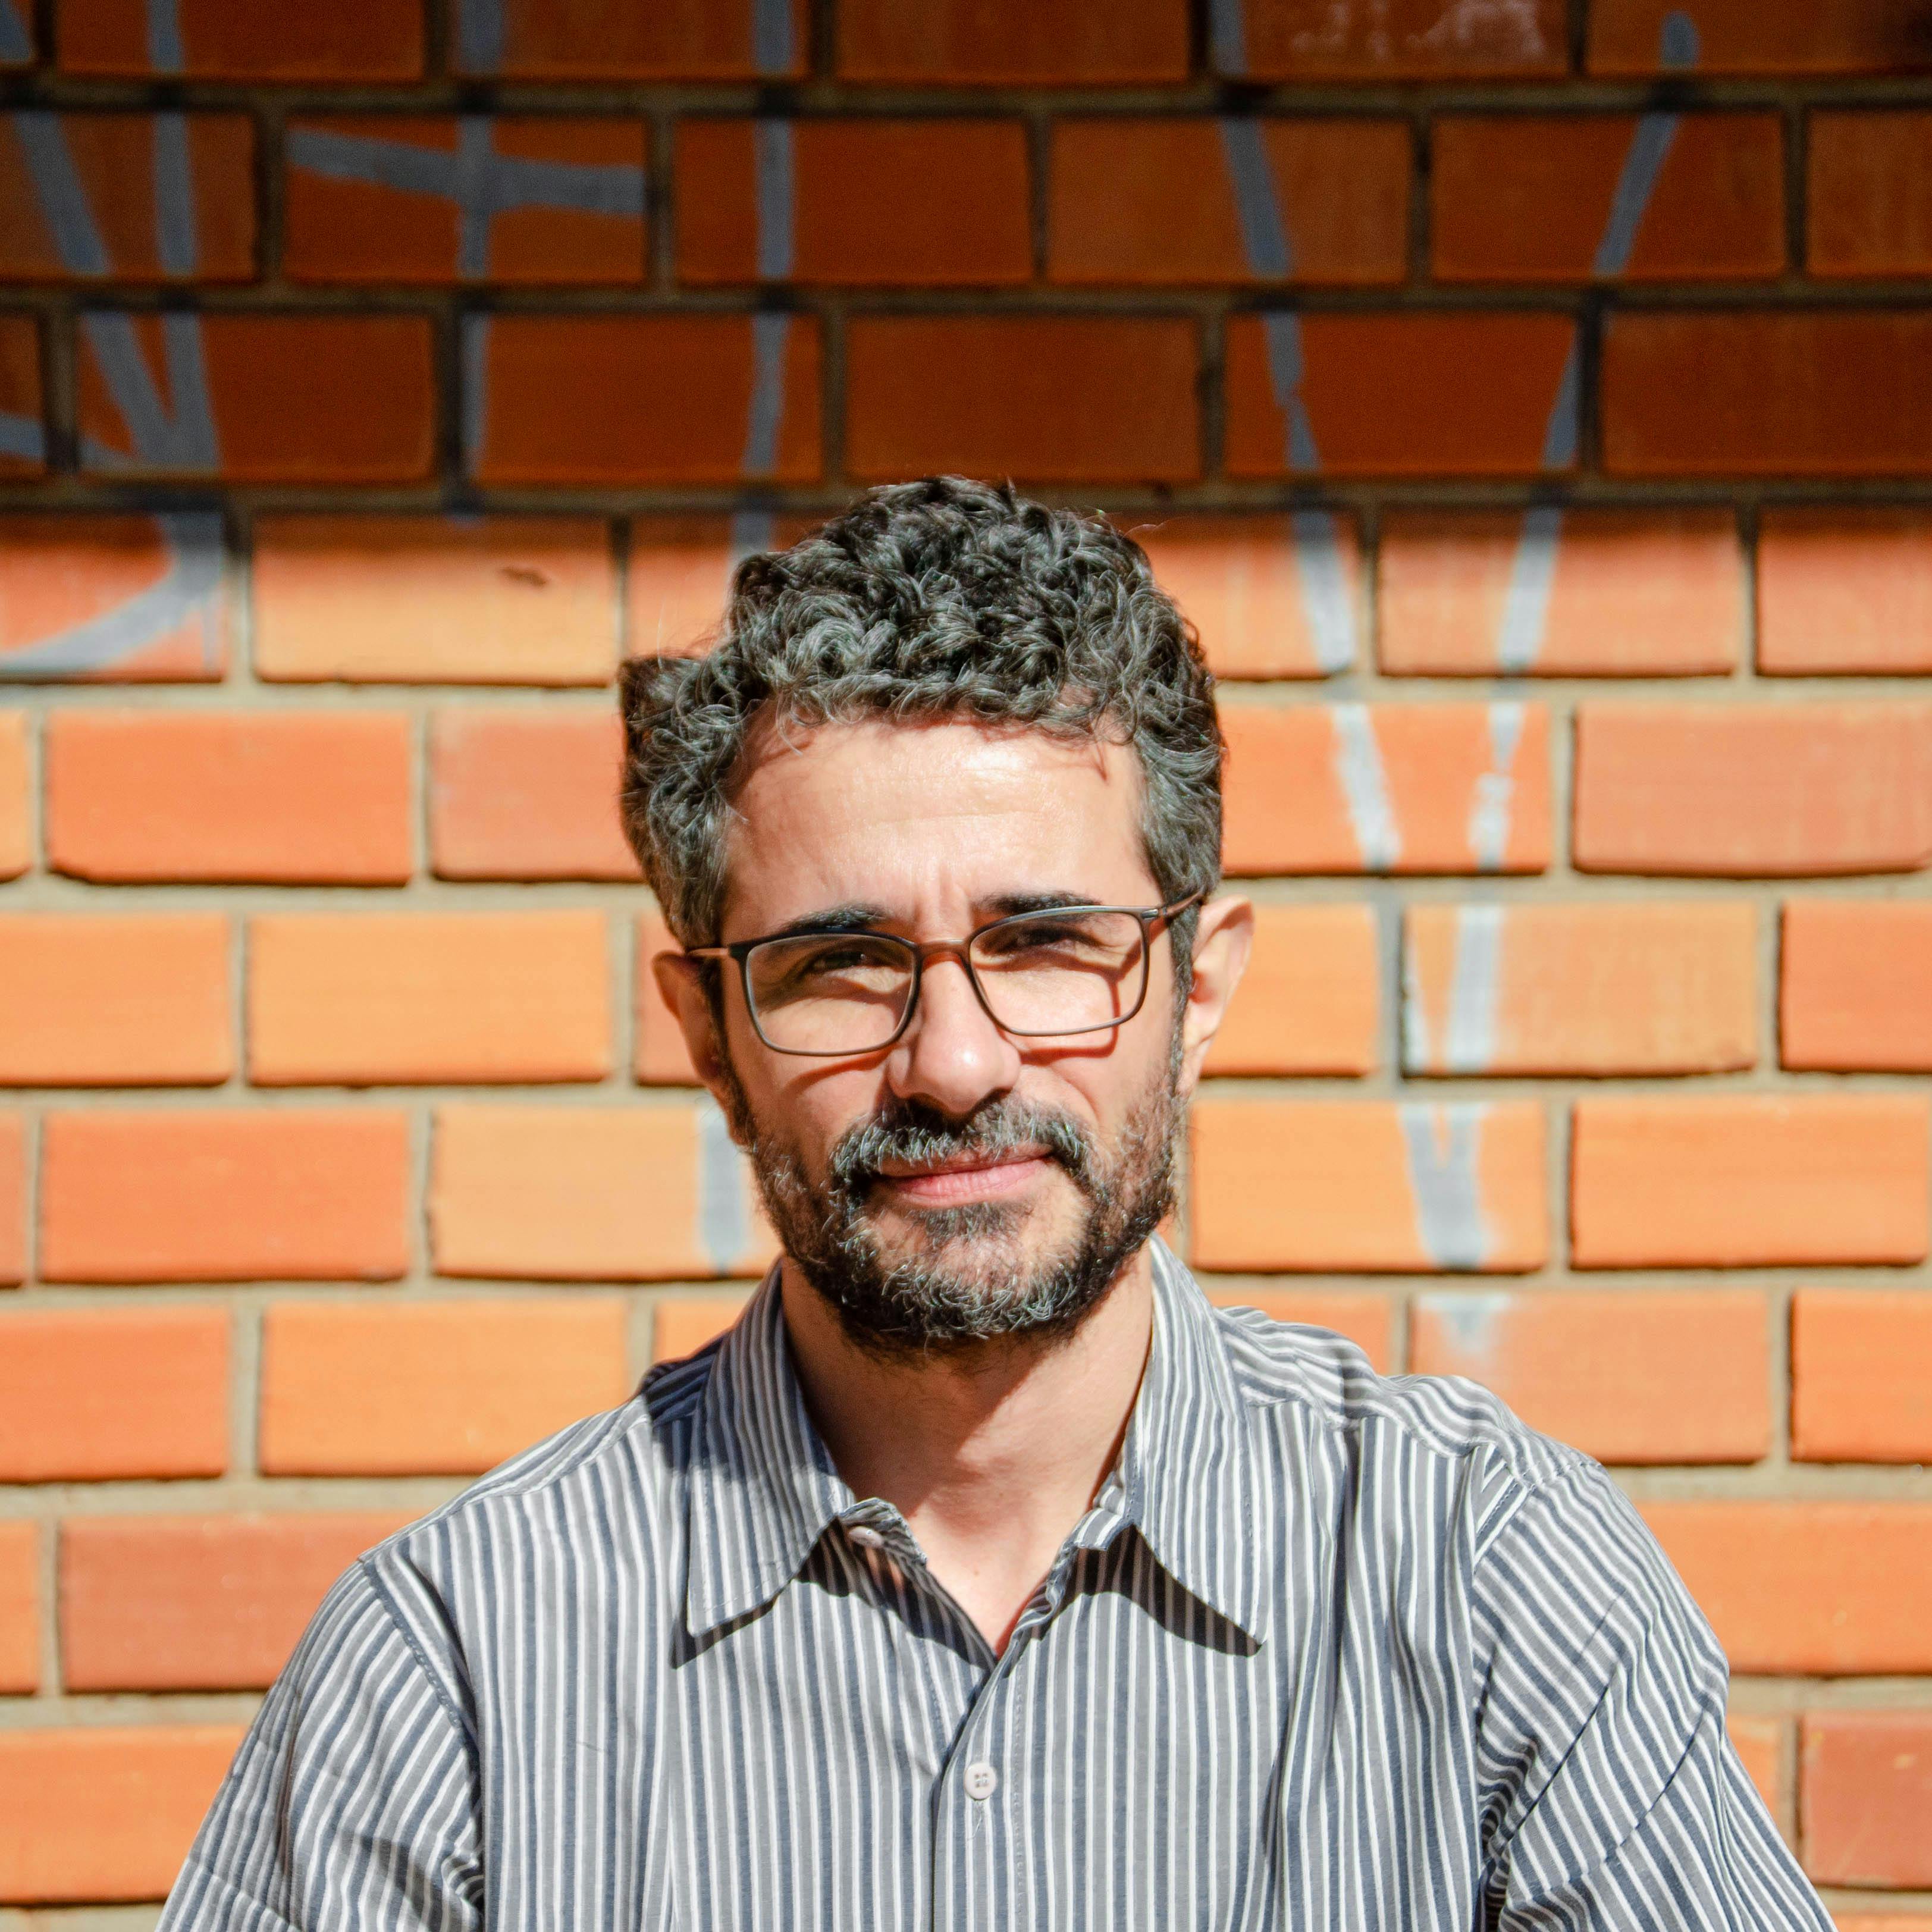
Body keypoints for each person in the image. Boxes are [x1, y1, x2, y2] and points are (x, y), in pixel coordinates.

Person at [158, 478, 1830, 1930]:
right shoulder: (455, 1671)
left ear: (1198, 988)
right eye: (840, 962)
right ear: (708, 1036)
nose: (953, 1062)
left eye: (1044, 945)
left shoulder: (1486, 1581)